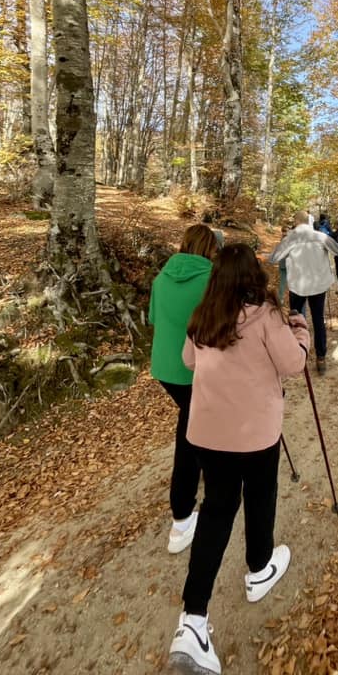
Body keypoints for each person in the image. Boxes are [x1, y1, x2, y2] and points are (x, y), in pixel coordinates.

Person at [168, 244, 310, 674]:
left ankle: (193, 619)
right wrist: (300, 329)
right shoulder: (266, 316)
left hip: (208, 433)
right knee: (261, 494)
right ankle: (258, 566)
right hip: (254, 433)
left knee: (216, 509)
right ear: (253, 276)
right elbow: (293, 364)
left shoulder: (203, 315)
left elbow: (188, 360)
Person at [149, 223, 218, 554]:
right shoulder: (211, 280)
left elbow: (153, 319)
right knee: (190, 434)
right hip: (195, 368)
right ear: (210, 248)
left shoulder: (161, 279)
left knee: (196, 422)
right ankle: (181, 516)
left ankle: (208, 474)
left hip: (165, 367)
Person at [269, 210, 338, 375]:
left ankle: (294, 354)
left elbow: (273, 258)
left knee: (295, 320)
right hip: (318, 285)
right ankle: (321, 358)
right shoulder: (320, 236)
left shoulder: (290, 238)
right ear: (308, 221)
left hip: (298, 285)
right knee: (318, 319)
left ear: (296, 222)